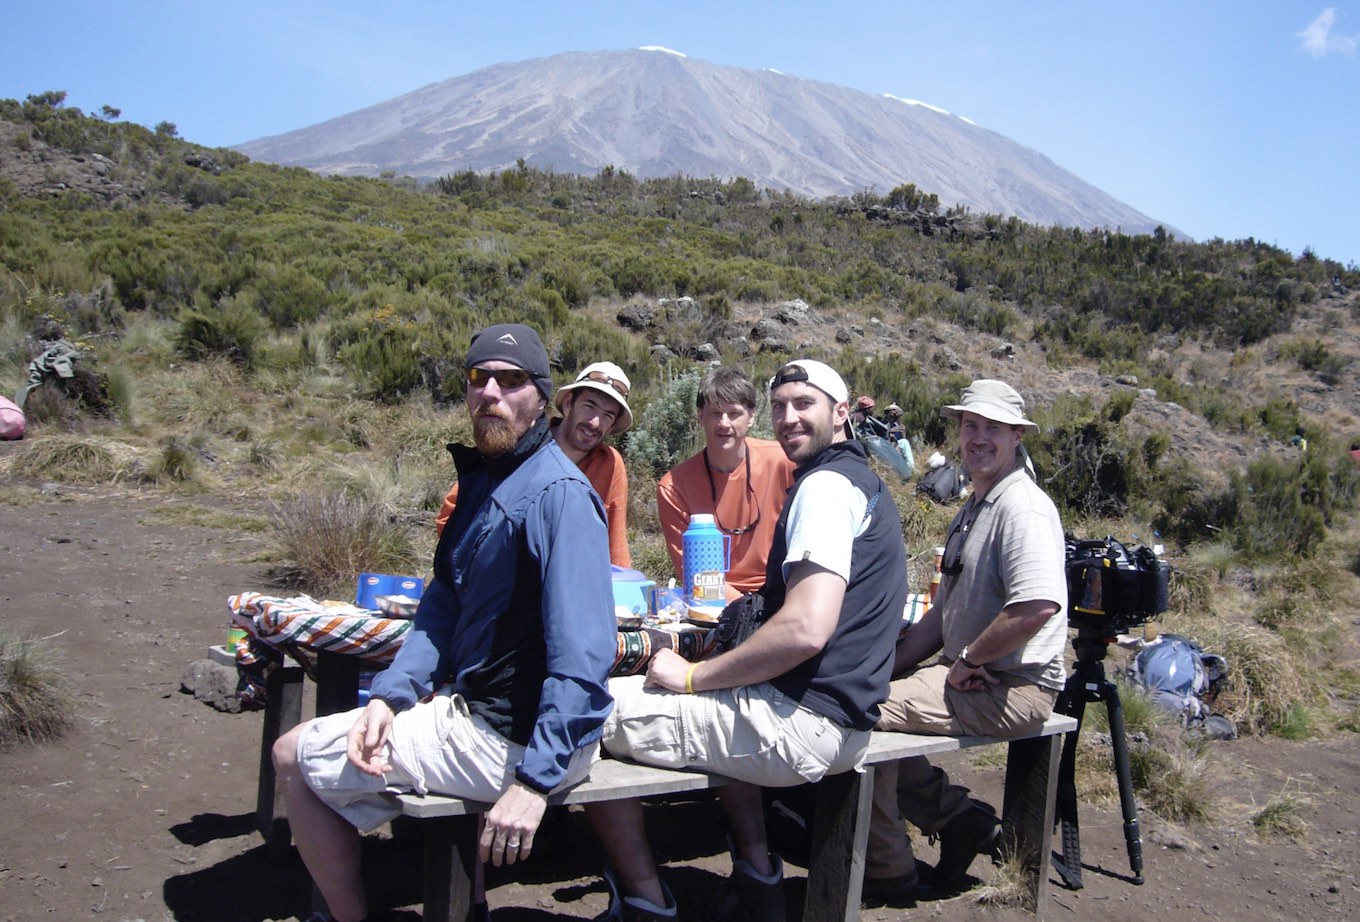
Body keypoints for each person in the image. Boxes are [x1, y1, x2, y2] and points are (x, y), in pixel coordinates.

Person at [272, 324, 617, 922]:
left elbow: (584, 654)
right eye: (477, 378)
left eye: (510, 382)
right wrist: (390, 697)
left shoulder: (557, 493)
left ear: (542, 397)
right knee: (362, 731)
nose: (490, 393)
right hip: (495, 719)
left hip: (518, 739)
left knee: (289, 755)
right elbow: (443, 605)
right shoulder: (491, 480)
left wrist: (534, 784)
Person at [588, 359, 910, 922]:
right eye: (781, 405)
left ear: (840, 413)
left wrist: (692, 677)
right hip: (841, 715)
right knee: (717, 698)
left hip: (800, 723)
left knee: (587, 708)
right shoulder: (861, 482)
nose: (788, 418)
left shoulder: (825, 488)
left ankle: (644, 896)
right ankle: (758, 876)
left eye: (803, 404)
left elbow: (806, 628)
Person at [863, 379, 1067, 904]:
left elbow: (1037, 607)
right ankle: (960, 821)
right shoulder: (979, 501)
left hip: (1011, 684)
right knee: (861, 689)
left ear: (1017, 435)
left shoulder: (1021, 508)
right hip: (972, 671)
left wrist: (971, 658)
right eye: (970, 425)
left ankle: (887, 867)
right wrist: (887, 663)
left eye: (992, 428)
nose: (978, 438)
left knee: (856, 708)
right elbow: (944, 613)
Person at [437, 360, 635, 567]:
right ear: (568, 405)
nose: (595, 422)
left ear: (612, 425)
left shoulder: (609, 465)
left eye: (607, 416)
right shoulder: (523, 444)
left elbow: (615, 545)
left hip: (570, 580)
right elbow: (450, 517)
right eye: (589, 406)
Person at [656, 367, 795, 599]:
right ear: (700, 416)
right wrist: (743, 611)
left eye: (734, 414)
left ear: (751, 416)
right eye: (715, 413)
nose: (724, 423)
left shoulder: (784, 463)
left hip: (782, 589)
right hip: (714, 597)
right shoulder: (674, 486)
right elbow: (692, 573)